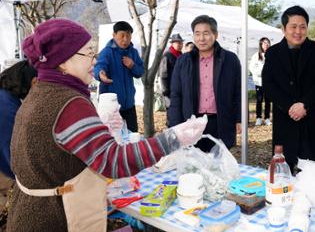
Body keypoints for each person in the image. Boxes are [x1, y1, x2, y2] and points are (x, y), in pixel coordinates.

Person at [6, 19, 207, 232]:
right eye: (89, 53)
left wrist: (99, 128)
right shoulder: (69, 102)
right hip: (56, 218)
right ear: (62, 61)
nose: (95, 61)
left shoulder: (39, 91)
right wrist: (172, 139)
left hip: (28, 212)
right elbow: (115, 162)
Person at [262, 6, 315, 172]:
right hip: (285, 118)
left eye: (302, 26)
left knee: (313, 169)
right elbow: (268, 84)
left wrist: (304, 105)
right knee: (285, 167)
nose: (298, 31)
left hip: (311, 115)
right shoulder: (273, 53)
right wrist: (289, 106)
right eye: (293, 26)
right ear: (284, 28)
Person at [168, 15, 241, 152]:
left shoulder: (230, 60)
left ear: (215, 35)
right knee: (193, 165)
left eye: (206, 33)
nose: (201, 38)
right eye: (197, 34)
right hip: (192, 121)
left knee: (218, 165)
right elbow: (176, 94)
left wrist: (239, 118)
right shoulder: (184, 61)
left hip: (220, 121)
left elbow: (238, 92)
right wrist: (175, 124)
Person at [94, 21, 144, 132]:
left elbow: (140, 72)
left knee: (132, 134)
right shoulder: (107, 52)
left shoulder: (133, 52)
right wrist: (100, 73)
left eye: (128, 36)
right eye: (122, 36)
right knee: (113, 137)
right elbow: (99, 66)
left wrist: (132, 65)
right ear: (114, 35)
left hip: (129, 104)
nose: (125, 39)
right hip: (111, 106)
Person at [0, 61, 37, 211]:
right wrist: (25, 180)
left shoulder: (6, 96)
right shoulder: (7, 108)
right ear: (32, 82)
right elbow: (9, 150)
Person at [249, 37, 272, 126]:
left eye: (268, 43)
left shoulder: (272, 54)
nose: (266, 44)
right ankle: (258, 118)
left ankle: (267, 118)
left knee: (268, 101)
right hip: (259, 82)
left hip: (269, 83)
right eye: (264, 43)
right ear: (261, 44)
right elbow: (252, 68)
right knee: (259, 100)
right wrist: (261, 73)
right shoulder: (256, 55)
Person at [158, 33, 184, 108]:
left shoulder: (181, 55)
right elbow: (163, 75)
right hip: (170, 90)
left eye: (181, 43)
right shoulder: (167, 55)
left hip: (180, 89)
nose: (180, 45)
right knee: (172, 112)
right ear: (172, 43)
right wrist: (166, 93)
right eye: (178, 43)